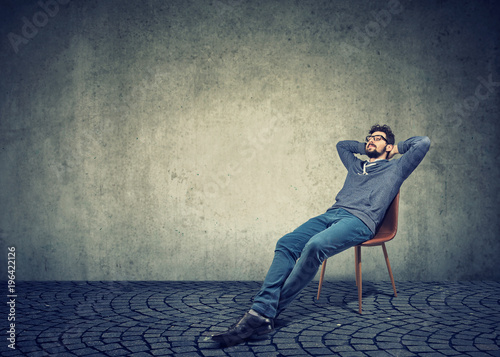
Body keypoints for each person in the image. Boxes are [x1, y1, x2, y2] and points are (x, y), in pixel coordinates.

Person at [211, 124, 431, 346]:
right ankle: (263, 314)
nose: (371, 140)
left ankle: (262, 312)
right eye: (369, 138)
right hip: (332, 214)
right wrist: (366, 147)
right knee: (287, 243)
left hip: (360, 221)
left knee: (315, 246)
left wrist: (397, 149)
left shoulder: (397, 168)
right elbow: (342, 146)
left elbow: (423, 142)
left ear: (389, 145)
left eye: (378, 138)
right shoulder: (356, 165)